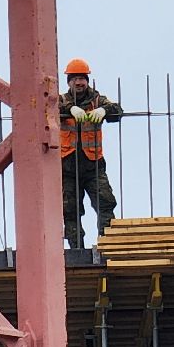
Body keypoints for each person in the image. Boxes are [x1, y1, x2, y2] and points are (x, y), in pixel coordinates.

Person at [59, 58, 123, 248]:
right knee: (70, 210)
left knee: (105, 203)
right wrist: (70, 109)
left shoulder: (97, 100)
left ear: (87, 81)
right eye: (75, 79)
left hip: (93, 166)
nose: (79, 82)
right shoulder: (61, 101)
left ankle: (107, 246)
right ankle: (76, 249)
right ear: (69, 82)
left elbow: (117, 111)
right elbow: (47, 108)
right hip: (67, 168)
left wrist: (104, 110)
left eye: (82, 78)